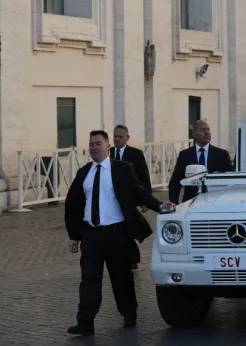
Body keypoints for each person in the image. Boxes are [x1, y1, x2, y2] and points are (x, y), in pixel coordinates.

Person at [64, 130, 174, 336]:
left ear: (108, 147)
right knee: (89, 279)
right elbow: (73, 204)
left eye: (98, 143)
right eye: (91, 144)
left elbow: (138, 191)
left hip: (117, 234)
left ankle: (129, 312)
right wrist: (74, 235)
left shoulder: (122, 169)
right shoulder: (84, 173)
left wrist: (160, 206)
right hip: (92, 235)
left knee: (121, 278)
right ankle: (85, 322)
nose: (94, 147)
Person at [110, 124, 152, 270]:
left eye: (120, 136)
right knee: (117, 230)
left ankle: (133, 258)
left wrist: (145, 200)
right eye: (114, 136)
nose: (116, 139)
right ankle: (119, 257)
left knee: (128, 229)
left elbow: (144, 177)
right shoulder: (107, 153)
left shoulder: (136, 154)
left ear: (127, 138)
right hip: (111, 199)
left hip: (129, 198)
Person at [169, 120, 233, 204]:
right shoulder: (185, 155)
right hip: (190, 201)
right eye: (203, 130)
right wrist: (174, 204)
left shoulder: (221, 154)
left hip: (215, 200)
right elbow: (175, 182)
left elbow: (230, 177)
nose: (207, 133)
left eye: (208, 129)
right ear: (194, 134)